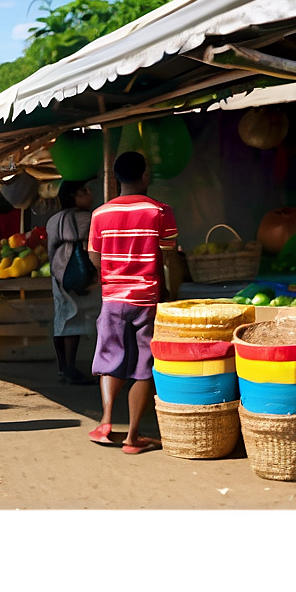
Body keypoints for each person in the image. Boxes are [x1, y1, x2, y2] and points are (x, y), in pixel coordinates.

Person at [87, 151, 178, 454]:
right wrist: (172, 293)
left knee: (111, 358)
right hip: (146, 299)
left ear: (116, 179)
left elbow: (94, 256)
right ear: (144, 176)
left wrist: (115, 272)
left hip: (112, 298)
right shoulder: (159, 211)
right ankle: (133, 437)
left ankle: (106, 421)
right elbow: (169, 257)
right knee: (143, 365)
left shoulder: (99, 214)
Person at [46, 179, 100, 385]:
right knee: (74, 320)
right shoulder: (86, 218)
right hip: (79, 274)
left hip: (59, 274)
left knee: (61, 318)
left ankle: (63, 367)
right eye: (84, 191)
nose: (89, 194)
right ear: (73, 197)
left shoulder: (54, 220)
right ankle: (70, 368)